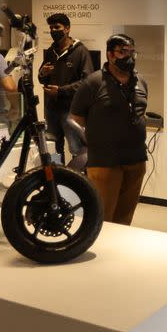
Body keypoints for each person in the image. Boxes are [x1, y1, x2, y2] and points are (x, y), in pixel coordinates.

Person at [69, 34, 148, 225]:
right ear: (110, 55)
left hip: (136, 160)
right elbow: (76, 119)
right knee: (103, 218)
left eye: (132, 52)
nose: (129, 56)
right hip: (105, 161)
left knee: (125, 217)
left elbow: (141, 113)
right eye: (123, 52)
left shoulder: (141, 82)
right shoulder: (93, 83)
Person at [37, 13, 94, 164]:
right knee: (53, 148)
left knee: (77, 148)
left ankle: (78, 180)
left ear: (67, 29)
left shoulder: (81, 52)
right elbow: (41, 77)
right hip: (51, 109)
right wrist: (42, 73)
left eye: (57, 27)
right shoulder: (51, 51)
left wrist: (62, 90)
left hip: (71, 110)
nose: (53, 30)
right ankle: (56, 178)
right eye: (51, 28)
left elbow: (87, 82)